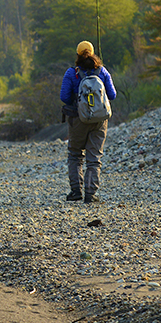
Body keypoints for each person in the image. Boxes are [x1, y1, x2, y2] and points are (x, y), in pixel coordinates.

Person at [60, 40, 117, 203]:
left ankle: (76, 191)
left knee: (75, 154)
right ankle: (91, 194)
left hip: (77, 119)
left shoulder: (72, 73)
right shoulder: (102, 71)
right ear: (92, 53)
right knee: (94, 157)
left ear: (77, 55)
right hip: (99, 120)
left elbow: (64, 97)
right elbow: (112, 95)